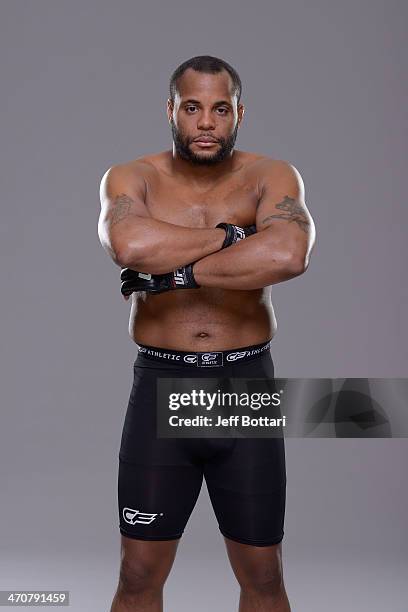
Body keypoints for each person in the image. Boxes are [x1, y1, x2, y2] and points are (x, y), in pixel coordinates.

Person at [98, 55, 315, 612]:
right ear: (171, 110)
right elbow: (131, 247)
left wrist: (175, 274)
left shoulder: (271, 175)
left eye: (221, 109)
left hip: (243, 386)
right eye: (192, 108)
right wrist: (239, 236)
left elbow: (288, 253)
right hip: (161, 383)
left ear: (239, 113)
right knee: (138, 571)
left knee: (264, 576)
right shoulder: (131, 177)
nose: (206, 123)